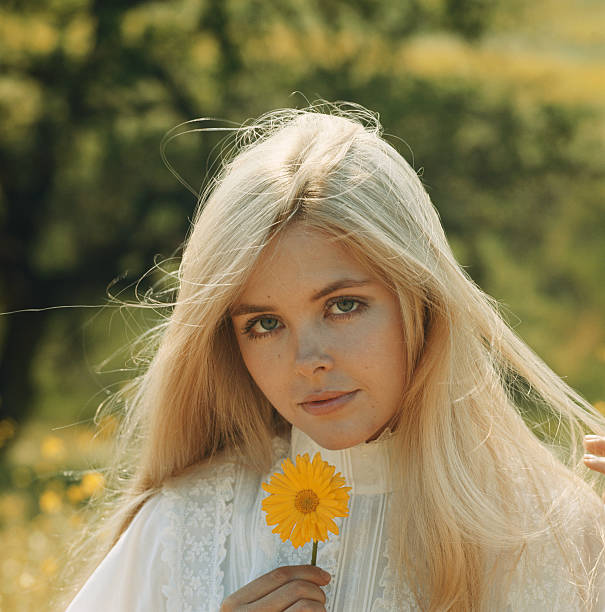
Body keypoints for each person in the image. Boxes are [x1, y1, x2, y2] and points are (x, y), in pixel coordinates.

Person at [63, 103, 605, 611]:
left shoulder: (555, 531)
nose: (308, 360)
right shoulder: (182, 527)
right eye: (265, 324)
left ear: (423, 302)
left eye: (343, 305)